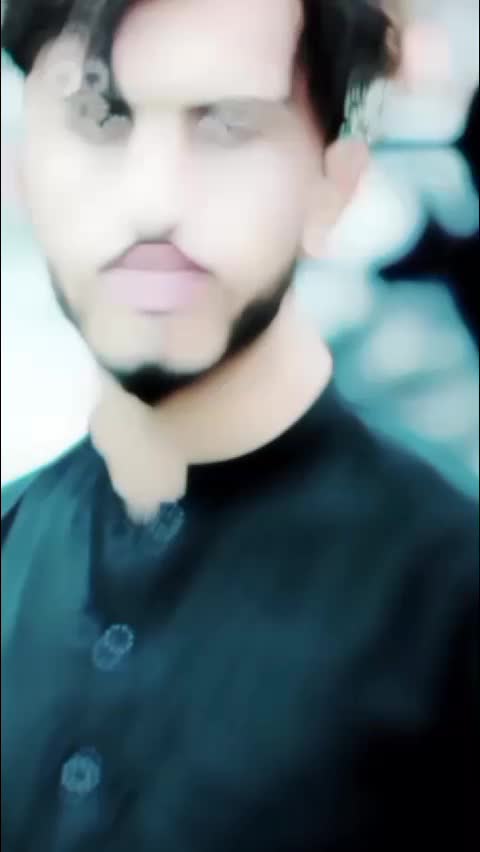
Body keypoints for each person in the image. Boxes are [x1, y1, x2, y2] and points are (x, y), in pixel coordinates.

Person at [1, 2, 477, 851]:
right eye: (99, 116)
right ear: (22, 167)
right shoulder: (13, 546)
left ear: (335, 186)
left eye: (227, 125)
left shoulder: (449, 601)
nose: (154, 203)